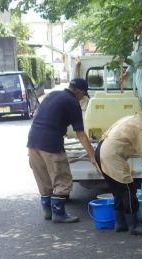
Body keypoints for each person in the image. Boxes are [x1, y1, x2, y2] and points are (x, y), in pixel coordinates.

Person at [27, 79, 98, 223]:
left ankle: (48, 211)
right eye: (83, 95)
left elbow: (37, 116)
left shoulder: (52, 95)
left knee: (44, 179)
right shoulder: (72, 102)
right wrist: (92, 156)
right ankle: (58, 214)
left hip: (33, 142)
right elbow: (81, 134)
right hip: (51, 145)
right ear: (78, 91)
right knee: (62, 179)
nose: (82, 98)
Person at [95, 104, 142, 235]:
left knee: (118, 191)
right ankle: (134, 225)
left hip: (100, 150)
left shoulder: (131, 119)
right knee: (129, 190)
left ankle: (120, 223)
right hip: (112, 155)